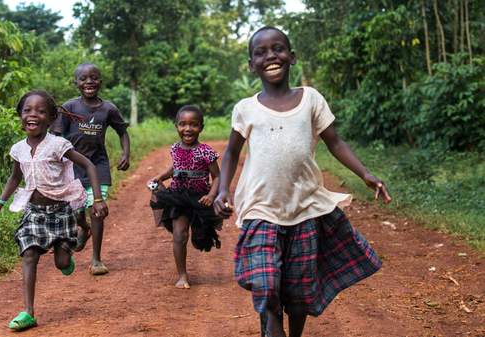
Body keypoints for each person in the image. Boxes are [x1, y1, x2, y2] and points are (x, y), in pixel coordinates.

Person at [213, 26, 391, 337]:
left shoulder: (311, 99)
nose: (271, 55)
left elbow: (335, 142)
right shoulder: (245, 109)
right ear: (251, 64)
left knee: (298, 290)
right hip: (261, 208)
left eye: (278, 48)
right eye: (261, 52)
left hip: (305, 208)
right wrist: (224, 190)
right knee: (266, 281)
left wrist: (364, 173)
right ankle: (272, 323)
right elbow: (230, 153)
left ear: (292, 57)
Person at [0, 90, 108, 331]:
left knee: (61, 263)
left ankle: (70, 248)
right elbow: (15, 177)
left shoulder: (58, 144)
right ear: (20, 115)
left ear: (51, 119)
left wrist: (98, 198)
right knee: (29, 254)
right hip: (33, 212)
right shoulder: (18, 149)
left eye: (40, 111)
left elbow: (89, 165)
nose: (33, 115)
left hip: (60, 211)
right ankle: (28, 312)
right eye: (27, 110)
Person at [51, 63, 130, 276]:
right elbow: (57, 137)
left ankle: (96, 259)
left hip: (99, 166)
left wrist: (125, 153)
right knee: (76, 211)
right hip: (73, 168)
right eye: (83, 79)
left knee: (97, 210)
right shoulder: (69, 108)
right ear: (76, 83)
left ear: (100, 82)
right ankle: (82, 227)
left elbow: (122, 131)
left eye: (94, 78)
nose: (89, 82)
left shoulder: (108, 109)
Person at [149, 105, 222, 289]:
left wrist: (212, 195)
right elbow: (176, 167)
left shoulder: (206, 151)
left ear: (201, 127)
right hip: (178, 198)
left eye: (193, 125)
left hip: (199, 199)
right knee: (180, 235)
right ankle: (182, 274)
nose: (188, 129)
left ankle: (199, 237)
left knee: (200, 237)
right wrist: (161, 177)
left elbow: (217, 176)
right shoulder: (174, 148)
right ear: (176, 126)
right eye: (183, 124)